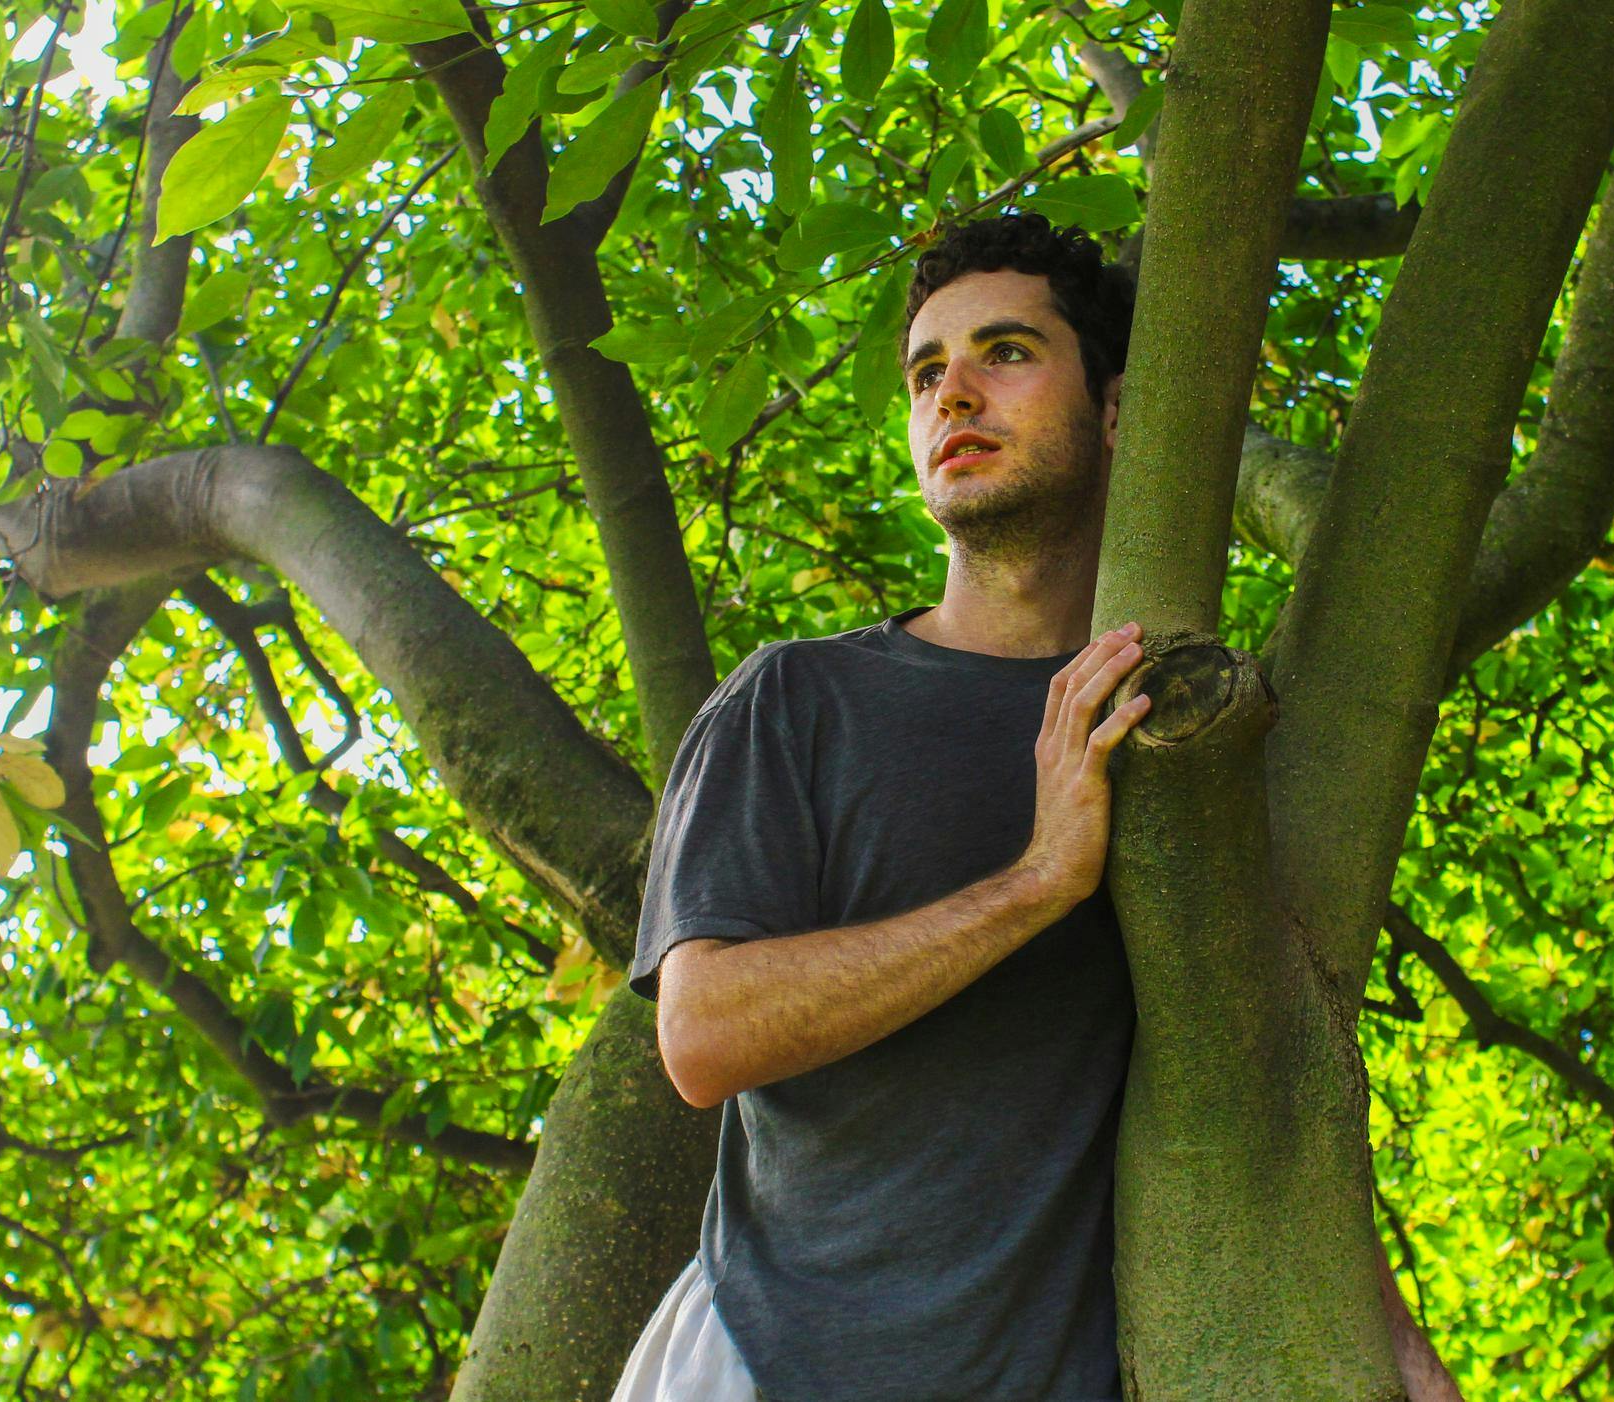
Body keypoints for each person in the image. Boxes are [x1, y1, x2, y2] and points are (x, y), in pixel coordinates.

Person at [614, 214, 1460, 1401]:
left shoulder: (1188, 748)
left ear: (1119, 415)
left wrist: (1403, 1357)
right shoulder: (796, 700)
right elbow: (703, 1036)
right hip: (770, 1361)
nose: (951, 392)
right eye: (924, 371)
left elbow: (1253, 1086)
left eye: (1004, 352)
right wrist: (1035, 882)